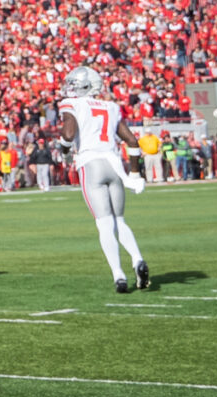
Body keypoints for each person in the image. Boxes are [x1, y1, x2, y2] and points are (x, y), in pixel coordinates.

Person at [57, 65, 152, 292]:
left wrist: (63, 149)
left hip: (91, 164)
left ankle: (118, 275)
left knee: (104, 223)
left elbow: (69, 134)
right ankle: (137, 259)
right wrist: (135, 173)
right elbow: (132, 142)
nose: (69, 88)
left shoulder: (73, 104)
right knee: (120, 220)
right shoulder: (111, 106)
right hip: (114, 165)